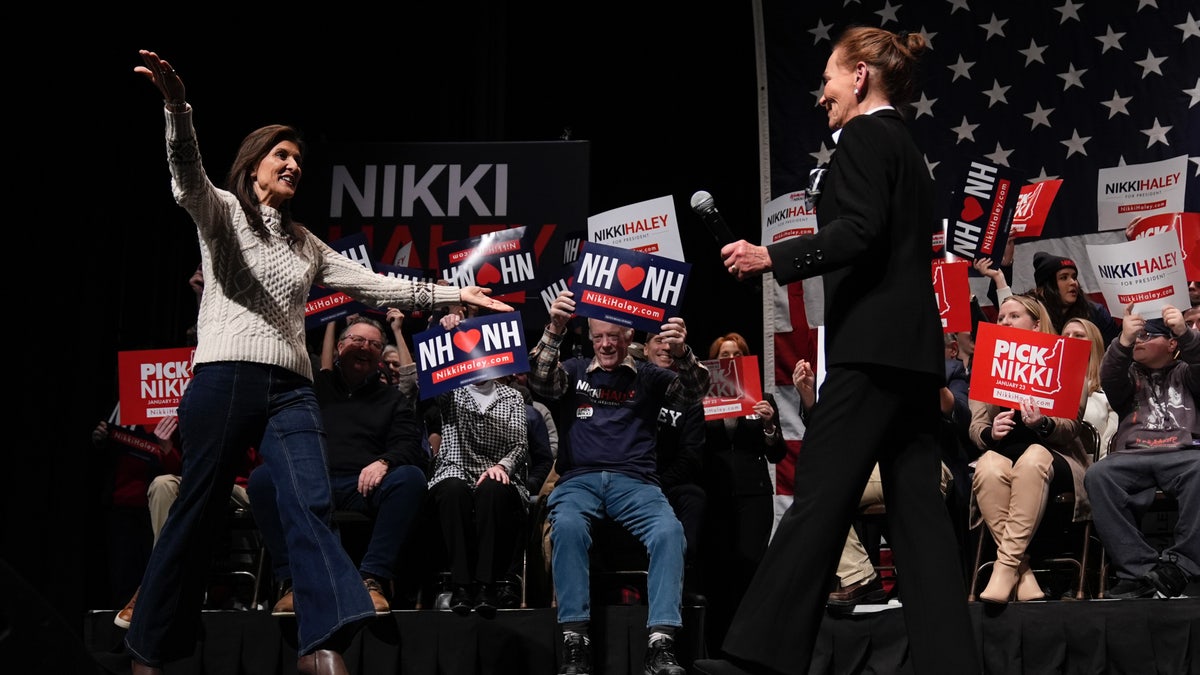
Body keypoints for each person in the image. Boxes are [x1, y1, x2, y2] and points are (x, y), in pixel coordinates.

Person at [127, 50, 510, 675]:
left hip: (293, 388)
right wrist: (177, 108)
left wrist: (453, 291)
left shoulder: (307, 243)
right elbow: (185, 173)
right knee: (196, 509)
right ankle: (149, 646)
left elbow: (380, 285)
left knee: (309, 502)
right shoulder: (222, 212)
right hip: (225, 378)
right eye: (282, 155)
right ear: (253, 164)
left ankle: (321, 643)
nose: (293, 165)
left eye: (299, 160)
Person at [698, 26, 980, 675]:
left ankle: (759, 657)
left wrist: (774, 255)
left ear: (859, 76)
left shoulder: (861, 137)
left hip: (872, 354)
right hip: (913, 356)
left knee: (819, 495)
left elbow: (859, 230)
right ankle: (953, 663)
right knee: (921, 521)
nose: (821, 93)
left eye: (828, 77)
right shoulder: (907, 147)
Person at [529, 289, 709, 675]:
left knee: (668, 532)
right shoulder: (575, 370)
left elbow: (694, 392)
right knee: (569, 527)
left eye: (614, 336)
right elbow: (542, 383)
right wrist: (555, 328)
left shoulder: (649, 376)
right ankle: (575, 640)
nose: (606, 344)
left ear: (630, 339)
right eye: (598, 337)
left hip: (636, 483)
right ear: (590, 337)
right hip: (579, 480)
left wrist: (682, 354)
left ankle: (660, 643)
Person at [250, 315, 430, 619]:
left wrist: (385, 461)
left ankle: (372, 579)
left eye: (374, 344)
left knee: (410, 478)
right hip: (312, 480)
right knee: (263, 478)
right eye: (358, 341)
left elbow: (409, 446)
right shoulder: (311, 387)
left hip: (363, 486)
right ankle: (293, 582)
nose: (365, 347)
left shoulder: (393, 399)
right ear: (339, 348)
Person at [967, 294, 1092, 603]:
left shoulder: (1063, 359)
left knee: (1032, 459)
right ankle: (1022, 573)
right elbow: (975, 426)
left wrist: (1042, 423)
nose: (1005, 322)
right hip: (1004, 453)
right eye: (1001, 318)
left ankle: (1005, 566)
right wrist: (989, 431)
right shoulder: (988, 360)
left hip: (1055, 456)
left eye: (1014, 316)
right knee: (988, 468)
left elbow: (1072, 425)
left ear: (1036, 325)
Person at [1085, 306, 1198, 598]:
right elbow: (1108, 375)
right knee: (1098, 475)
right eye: (1138, 336)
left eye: (1148, 336)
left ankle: (1180, 566)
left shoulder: (1188, 374)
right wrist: (1122, 340)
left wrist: (1185, 333)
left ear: (1171, 344)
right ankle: (1139, 571)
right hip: (1133, 455)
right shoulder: (1127, 376)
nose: (1139, 341)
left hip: (1183, 453)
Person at [425, 313, 530, 618]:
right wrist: (440, 331)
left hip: (497, 471)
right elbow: (420, 377)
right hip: (455, 469)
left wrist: (503, 466)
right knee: (454, 489)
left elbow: (520, 444)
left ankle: (486, 584)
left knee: (493, 488)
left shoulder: (513, 396)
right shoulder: (451, 389)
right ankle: (460, 585)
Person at [695, 333, 783, 657]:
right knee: (719, 571)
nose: (729, 360)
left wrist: (770, 426)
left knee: (750, 570)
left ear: (744, 359)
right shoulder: (701, 396)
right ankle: (718, 650)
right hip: (716, 495)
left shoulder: (762, 398)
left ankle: (750, 648)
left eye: (735, 354)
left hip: (753, 497)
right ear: (714, 362)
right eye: (723, 355)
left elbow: (777, 454)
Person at [1062, 318, 1119, 457]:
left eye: (1079, 335)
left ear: (1093, 344)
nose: (1070, 339)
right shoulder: (1047, 386)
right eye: (1065, 335)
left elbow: (1108, 446)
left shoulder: (1110, 390)